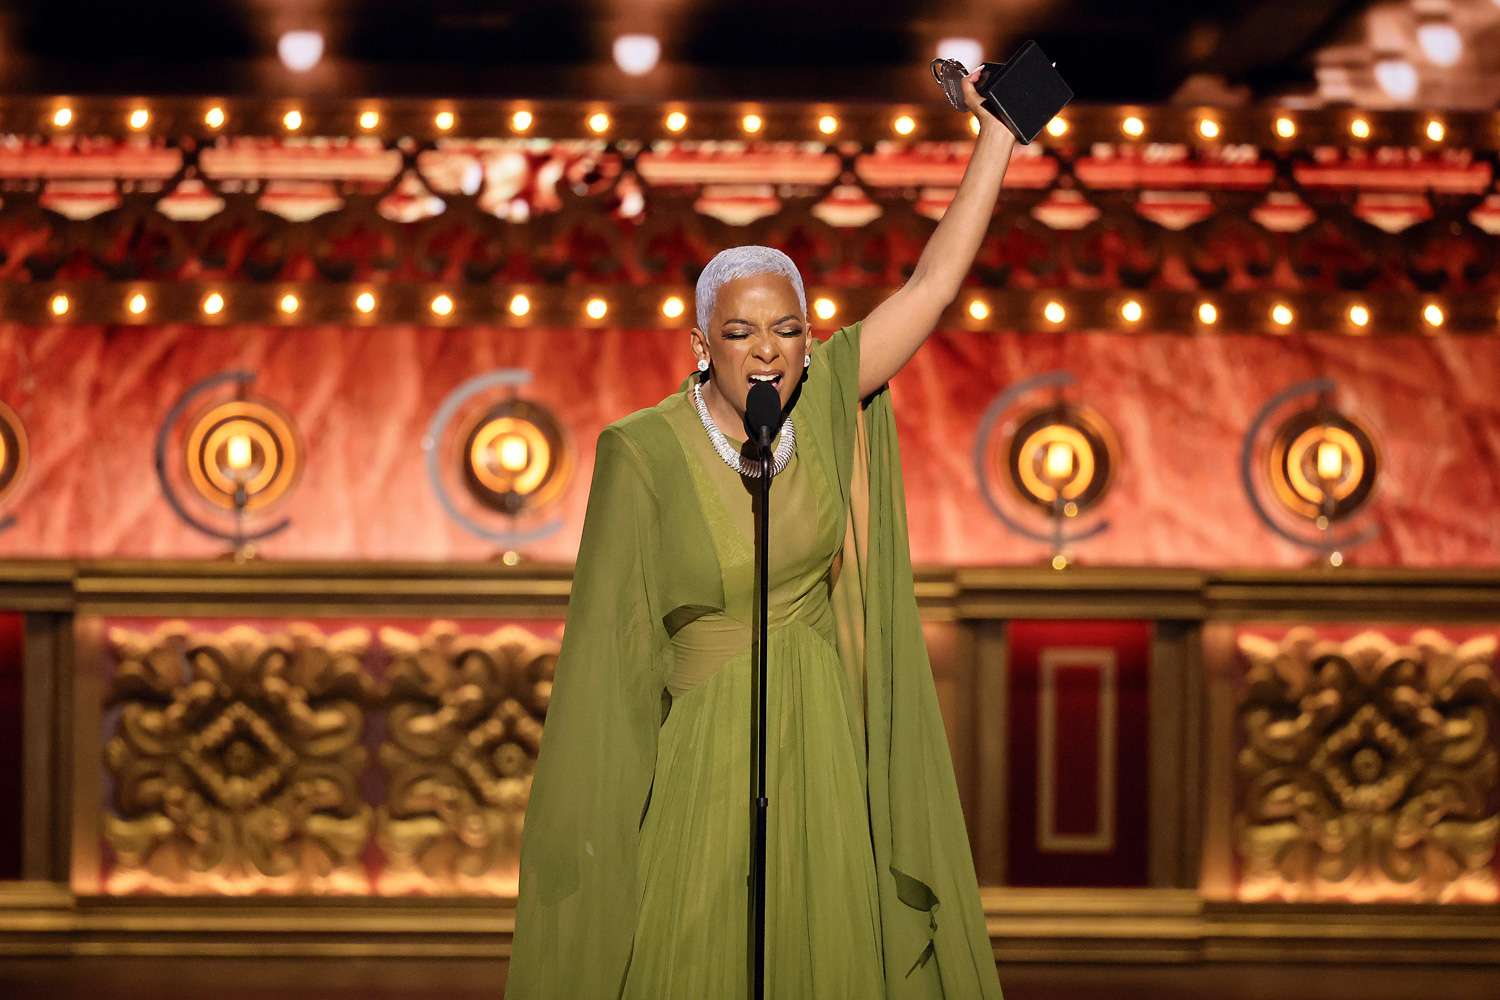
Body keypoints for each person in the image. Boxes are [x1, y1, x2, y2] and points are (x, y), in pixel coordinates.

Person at [507, 68, 1016, 998]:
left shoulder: (824, 402)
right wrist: (600, 828)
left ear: (811, 338)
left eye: (787, 328)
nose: (769, 348)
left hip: (819, 743)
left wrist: (998, 135)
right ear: (703, 343)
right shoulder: (642, 452)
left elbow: (935, 283)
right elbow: (608, 658)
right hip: (703, 755)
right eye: (742, 333)